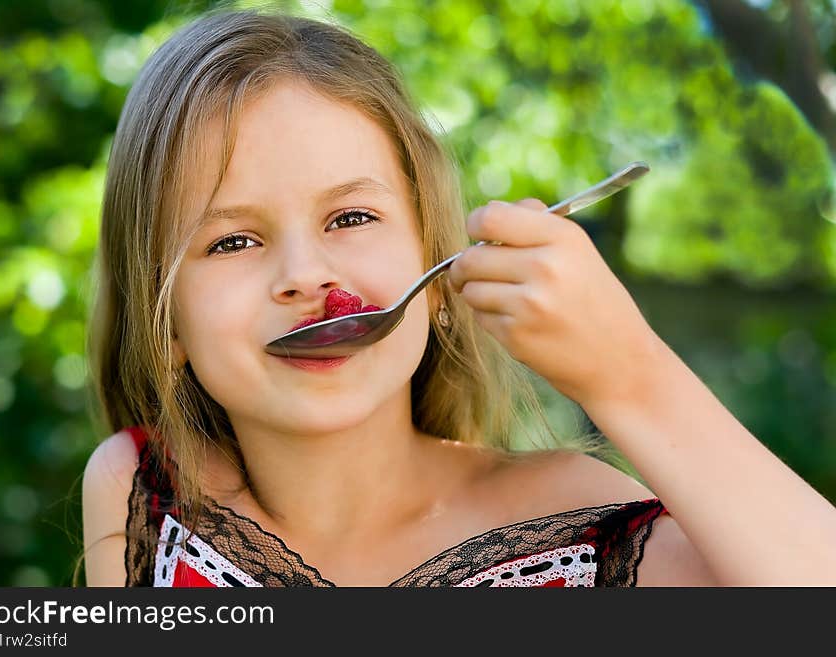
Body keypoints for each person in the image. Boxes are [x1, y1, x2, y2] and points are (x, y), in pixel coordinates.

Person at [80, 8, 836, 587]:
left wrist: (628, 374)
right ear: (165, 319)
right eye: (233, 241)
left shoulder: (582, 534)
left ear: (439, 278)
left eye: (351, 218)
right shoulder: (146, 495)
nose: (306, 274)